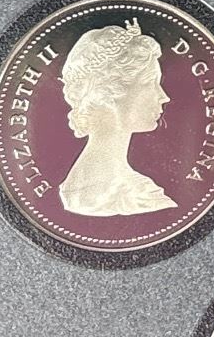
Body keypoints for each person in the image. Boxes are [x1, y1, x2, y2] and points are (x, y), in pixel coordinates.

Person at [57, 19, 174, 218]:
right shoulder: (133, 194)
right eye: (149, 83)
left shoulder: (134, 188)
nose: (164, 97)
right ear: (109, 93)